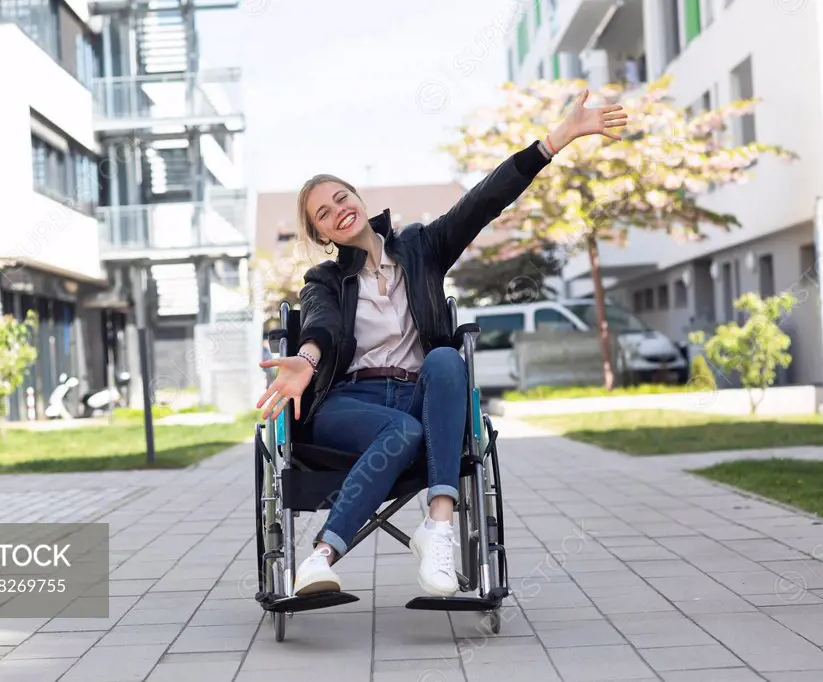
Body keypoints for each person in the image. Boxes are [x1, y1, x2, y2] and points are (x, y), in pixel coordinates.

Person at [257, 89, 627, 598]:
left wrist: (557, 139)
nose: (338, 209)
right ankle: (320, 559)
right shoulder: (324, 278)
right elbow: (322, 325)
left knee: (447, 361)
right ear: (323, 234)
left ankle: (439, 527)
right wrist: (305, 357)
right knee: (402, 431)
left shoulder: (421, 248)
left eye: (342, 197)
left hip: (419, 395)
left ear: (359, 200)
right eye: (323, 213)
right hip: (348, 405)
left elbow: (485, 201)